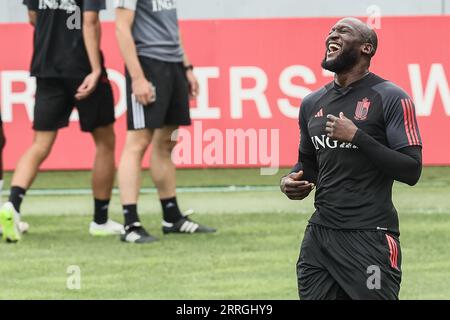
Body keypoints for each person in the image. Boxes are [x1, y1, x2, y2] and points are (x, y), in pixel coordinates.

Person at [280, 17, 422, 299]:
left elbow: (411, 170)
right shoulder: (311, 103)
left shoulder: (392, 98)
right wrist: (290, 181)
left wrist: (358, 137)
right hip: (320, 238)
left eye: (343, 31)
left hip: (371, 237)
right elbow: (308, 166)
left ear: (366, 48)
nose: (332, 34)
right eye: (331, 31)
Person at [0, 0, 124, 243]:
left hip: (47, 67)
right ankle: (100, 221)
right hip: (82, 69)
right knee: (105, 142)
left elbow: (33, 17)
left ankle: (12, 205)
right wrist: (95, 69)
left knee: (40, 144)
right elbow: (89, 21)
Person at [114, 0, 216, 243]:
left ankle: (172, 217)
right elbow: (121, 28)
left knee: (167, 142)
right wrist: (138, 78)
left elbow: (172, 27)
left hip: (173, 65)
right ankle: (131, 224)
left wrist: (186, 66)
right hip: (147, 64)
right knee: (138, 142)